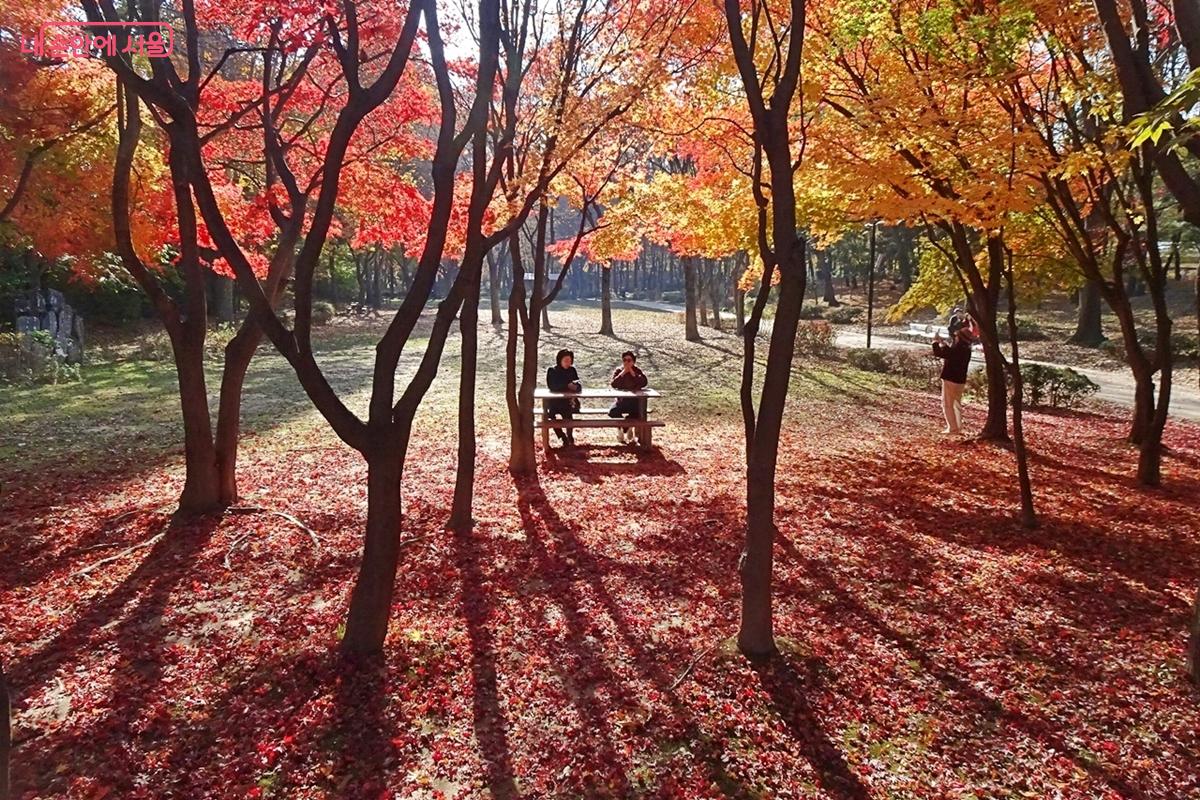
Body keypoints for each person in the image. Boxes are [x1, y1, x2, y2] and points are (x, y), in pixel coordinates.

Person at [933, 315, 973, 435]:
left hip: (950, 378)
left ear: (959, 338)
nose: (954, 337)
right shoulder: (966, 348)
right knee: (956, 404)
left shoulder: (958, 348)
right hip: (960, 380)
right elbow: (949, 352)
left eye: (956, 335)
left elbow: (941, 353)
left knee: (947, 404)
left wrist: (935, 342)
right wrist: (942, 342)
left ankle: (952, 428)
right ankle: (958, 427)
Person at [608, 350, 648, 444]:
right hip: (621, 401)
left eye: (629, 360)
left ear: (633, 361)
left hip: (634, 401)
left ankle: (629, 428)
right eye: (624, 360)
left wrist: (632, 373)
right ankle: (622, 428)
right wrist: (623, 373)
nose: (626, 362)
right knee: (612, 412)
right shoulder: (619, 370)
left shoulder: (637, 371)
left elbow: (644, 382)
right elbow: (614, 384)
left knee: (638, 413)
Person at [545, 349, 581, 446]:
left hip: (568, 401)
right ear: (560, 360)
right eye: (565, 360)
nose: (567, 363)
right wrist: (566, 385)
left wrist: (576, 387)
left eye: (569, 361)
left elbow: (578, 384)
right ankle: (561, 436)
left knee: (569, 416)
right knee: (550, 417)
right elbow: (552, 386)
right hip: (555, 401)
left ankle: (570, 436)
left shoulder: (572, 370)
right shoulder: (553, 370)